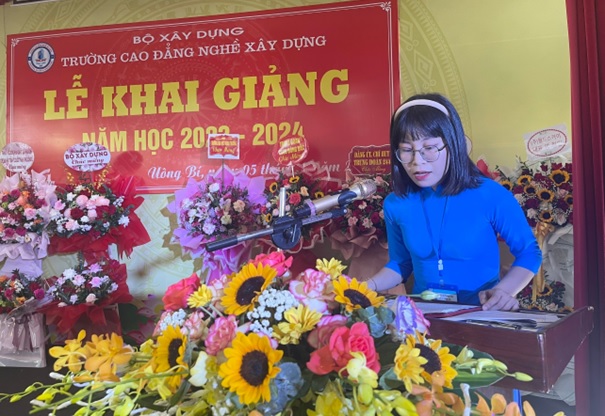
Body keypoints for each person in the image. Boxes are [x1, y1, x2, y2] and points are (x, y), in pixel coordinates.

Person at [365, 93, 542, 311]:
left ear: (453, 144)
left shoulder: (490, 194)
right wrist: (365, 287)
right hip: (425, 316)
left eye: (429, 148)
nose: (417, 162)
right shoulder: (396, 204)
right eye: (407, 150)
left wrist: (503, 292)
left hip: (481, 314)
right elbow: (400, 263)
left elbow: (529, 252)